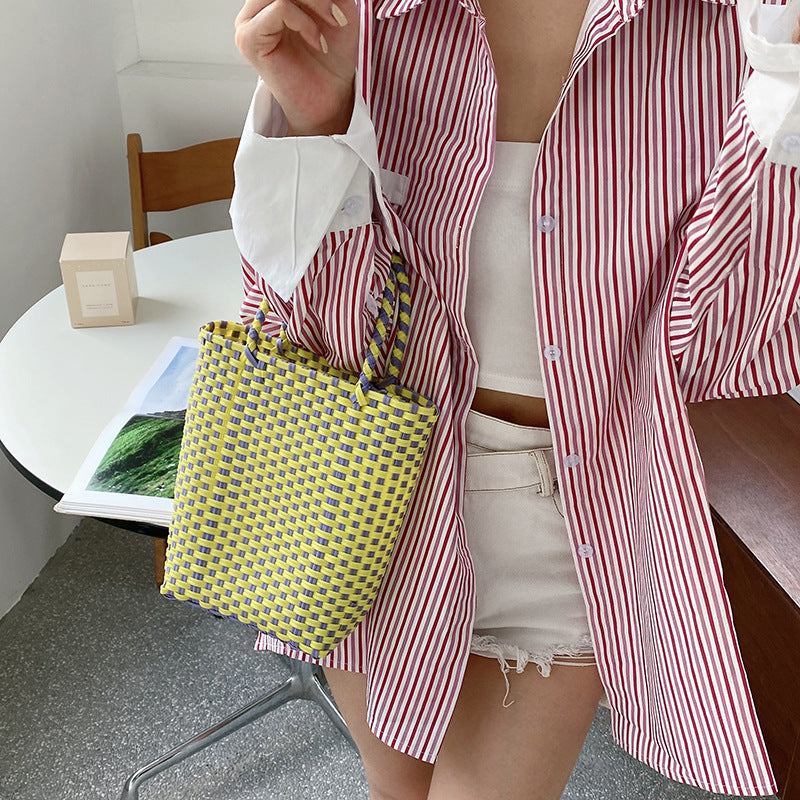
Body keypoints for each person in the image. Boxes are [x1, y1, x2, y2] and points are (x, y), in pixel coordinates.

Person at [229, 0, 800, 797]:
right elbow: (295, 317)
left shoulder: (732, 29)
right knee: (393, 791)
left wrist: (783, 87)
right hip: (372, 493)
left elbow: (729, 354)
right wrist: (316, 121)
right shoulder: (374, 15)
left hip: (572, 514)